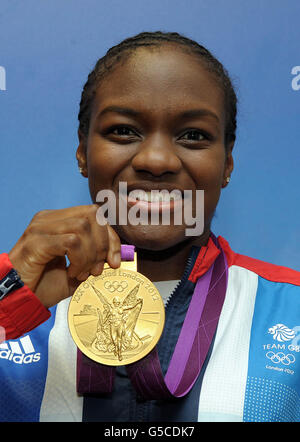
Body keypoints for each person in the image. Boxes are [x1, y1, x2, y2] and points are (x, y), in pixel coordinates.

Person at [0, 31, 300, 423]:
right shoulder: (16, 289)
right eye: (124, 130)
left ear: (227, 163)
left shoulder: (290, 308)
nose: (157, 160)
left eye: (193, 135)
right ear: (82, 152)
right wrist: (8, 304)